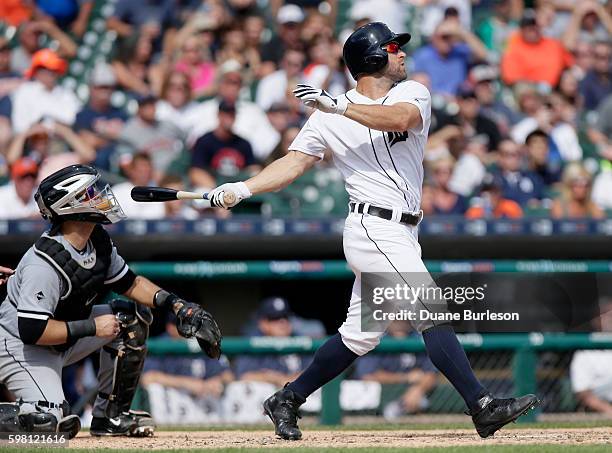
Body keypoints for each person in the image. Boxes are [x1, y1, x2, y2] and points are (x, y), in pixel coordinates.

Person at [206, 22, 538, 440]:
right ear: (373, 58)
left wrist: (337, 107)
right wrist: (242, 188)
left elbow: (398, 119)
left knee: (357, 338)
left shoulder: (411, 93)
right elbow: (293, 163)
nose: (401, 54)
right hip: (371, 227)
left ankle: (287, 399)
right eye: (393, 47)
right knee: (431, 311)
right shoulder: (328, 113)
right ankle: (482, 406)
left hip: (405, 230)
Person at [0, 164, 221, 437]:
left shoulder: (97, 240)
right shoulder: (42, 264)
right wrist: (93, 328)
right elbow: (32, 331)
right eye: (90, 193)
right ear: (71, 205)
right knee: (47, 424)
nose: (100, 196)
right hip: (20, 345)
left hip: (63, 336)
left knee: (131, 318)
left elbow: (130, 283)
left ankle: (111, 417)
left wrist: (177, 305)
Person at [354, 321, 437, 419]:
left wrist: (418, 390)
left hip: (414, 397)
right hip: (376, 404)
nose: (399, 320)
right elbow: (367, 376)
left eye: (401, 315)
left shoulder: (420, 338)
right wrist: (405, 378)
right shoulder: (374, 338)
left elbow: (431, 374)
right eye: (395, 315)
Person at [141, 311, 232, 398]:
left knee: (235, 388)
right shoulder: (161, 345)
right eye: (184, 324)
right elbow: (148, 378)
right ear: (170, 327)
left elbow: (228, 376)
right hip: (173, 401)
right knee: (155, 390)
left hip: (203, 401)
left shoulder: (203, 342)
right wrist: (185, 383)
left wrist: (217, 381)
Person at [234, 298, 308, 387]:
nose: (282, 322)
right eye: (275, 318)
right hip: (267, 395)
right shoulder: (254, 342)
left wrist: (290, 379)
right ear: (263, 323)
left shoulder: (299, 339)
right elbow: (243, 376)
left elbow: (316, 369)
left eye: (285, 317)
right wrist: (275, 378)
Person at [190, 100, 259, 189]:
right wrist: (217, 190)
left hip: (239, 190)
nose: (228, 118)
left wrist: (243, 188)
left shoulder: (243, 143)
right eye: (225, 114)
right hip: (213, 188)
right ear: (218, 115)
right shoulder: (205, 141)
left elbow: (253, 169)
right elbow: (196, 172)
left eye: (231, 115)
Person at [10, 49, 80, 134]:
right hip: (32, 139)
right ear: (36, 71)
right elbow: (19, 126)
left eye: (52, 69)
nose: (49, 73)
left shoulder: (67, 94)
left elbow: (73, 122)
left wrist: (51, 124)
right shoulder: (25, 91)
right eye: (44, 69)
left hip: (61, 140)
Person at [74, 62, 128, 172]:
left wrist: (102, 140)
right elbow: (88, 142)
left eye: (108, 87)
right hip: (96, 167)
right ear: (91, 88)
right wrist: (114, 139)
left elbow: (130, 138)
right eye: (101, 87)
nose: (105, 91)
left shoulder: (121, 113)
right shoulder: (83, 115)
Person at [412, 19, 488, 96]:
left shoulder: (459, 52)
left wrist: (462, 32)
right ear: (434, 37)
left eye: (450, 37)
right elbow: (418, 84)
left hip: (459, 101)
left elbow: (483, 55)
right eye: (444, 37)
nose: (447, 41)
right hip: (434, 101)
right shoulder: (423, 55)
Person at [500, 9, 573, 88]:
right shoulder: (514, 46)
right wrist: (537, 87)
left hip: (555, 89)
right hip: (527, 91)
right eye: (529, 27)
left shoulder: (553, 44)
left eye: (536, 26)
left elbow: (570, 64)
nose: (534, 30)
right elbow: (511, 78)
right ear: (521, 30)